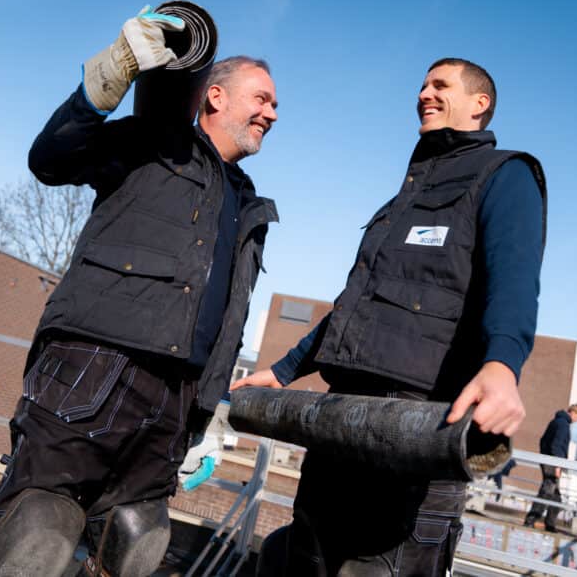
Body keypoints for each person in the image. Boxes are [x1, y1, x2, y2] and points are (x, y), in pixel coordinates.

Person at [0, 7, 280, 577]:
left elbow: (226, 316)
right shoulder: (150, 142)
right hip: (98, 367)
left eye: (274, 104)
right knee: (35, 537)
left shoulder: (245, 200)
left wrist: (205, 415)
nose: (272, 113)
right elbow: (51, 159)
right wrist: (111, 74)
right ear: (214, 96)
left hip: (177, 398)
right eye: (261, 99)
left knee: (135, 541)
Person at [233, 58, 547, 576]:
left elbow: (515, 277)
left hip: (419, 426)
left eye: (440, 85)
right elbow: (356, 307)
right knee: (305, 559)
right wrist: (286, 368)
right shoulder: (402, 201)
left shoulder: (506, 175)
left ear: (479, 104)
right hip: (343, 419)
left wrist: (503, 364)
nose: (424, 93)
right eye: (422, 85)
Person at [523, 404, 577, 532]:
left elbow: (544, 441)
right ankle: (531, 520)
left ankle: (549, 524)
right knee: (547, 492)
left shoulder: (557, 421)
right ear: (573, 413)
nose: (576, 421)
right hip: (552, 462)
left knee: (556, 496)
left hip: (548, 460)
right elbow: (557, 445)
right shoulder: (563, 424)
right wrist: (558, 465)